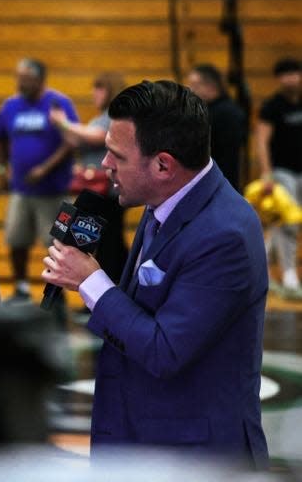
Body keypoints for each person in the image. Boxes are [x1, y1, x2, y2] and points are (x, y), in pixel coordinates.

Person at [42, 80, 269, 469]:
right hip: (141, 442)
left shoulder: (224, 235)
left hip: (194, 460)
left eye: (117, 156)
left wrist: (90, 281)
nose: (105, 165)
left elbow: (165, 351)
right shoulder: (163, 199)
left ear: (163, 165)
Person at [0, 58, 77, 302]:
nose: (20, 83)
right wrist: (1, 165)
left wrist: (45, 168)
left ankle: (56, 293)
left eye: (25, 79)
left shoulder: (58, 103)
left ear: (40, 79)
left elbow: (71, 141)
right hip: (21, 189)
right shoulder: (11, 106)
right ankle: (21, 287)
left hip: (53, 190)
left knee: (56, 246)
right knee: (17, 240)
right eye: (18, 78)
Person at [50, 71, 128, 283]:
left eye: (99, 88)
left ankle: (110, 290)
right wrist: (60, 124)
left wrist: (63, 122)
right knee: (100, 244)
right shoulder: (98, 118)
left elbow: (96, 137)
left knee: (108, 244)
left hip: (109, 192)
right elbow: (78, 140)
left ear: (110, 90)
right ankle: (103, 292)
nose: (94, 93)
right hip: (96, 192)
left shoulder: (114, 117)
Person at [255, 58, 302, 292]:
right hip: (282, 173)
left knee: (280, 225)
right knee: (288, 222)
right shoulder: (273, 106)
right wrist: (267, 173)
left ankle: (257, 266)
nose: (290, 79)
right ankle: (289, 274)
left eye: (293, 73)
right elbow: (262, 141)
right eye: (284, 74)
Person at [185, 63, 247, 191]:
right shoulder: (209, 111)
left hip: (217, 183)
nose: (190, 90)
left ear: (211, 86)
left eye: (195, 85)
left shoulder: (225, 113)